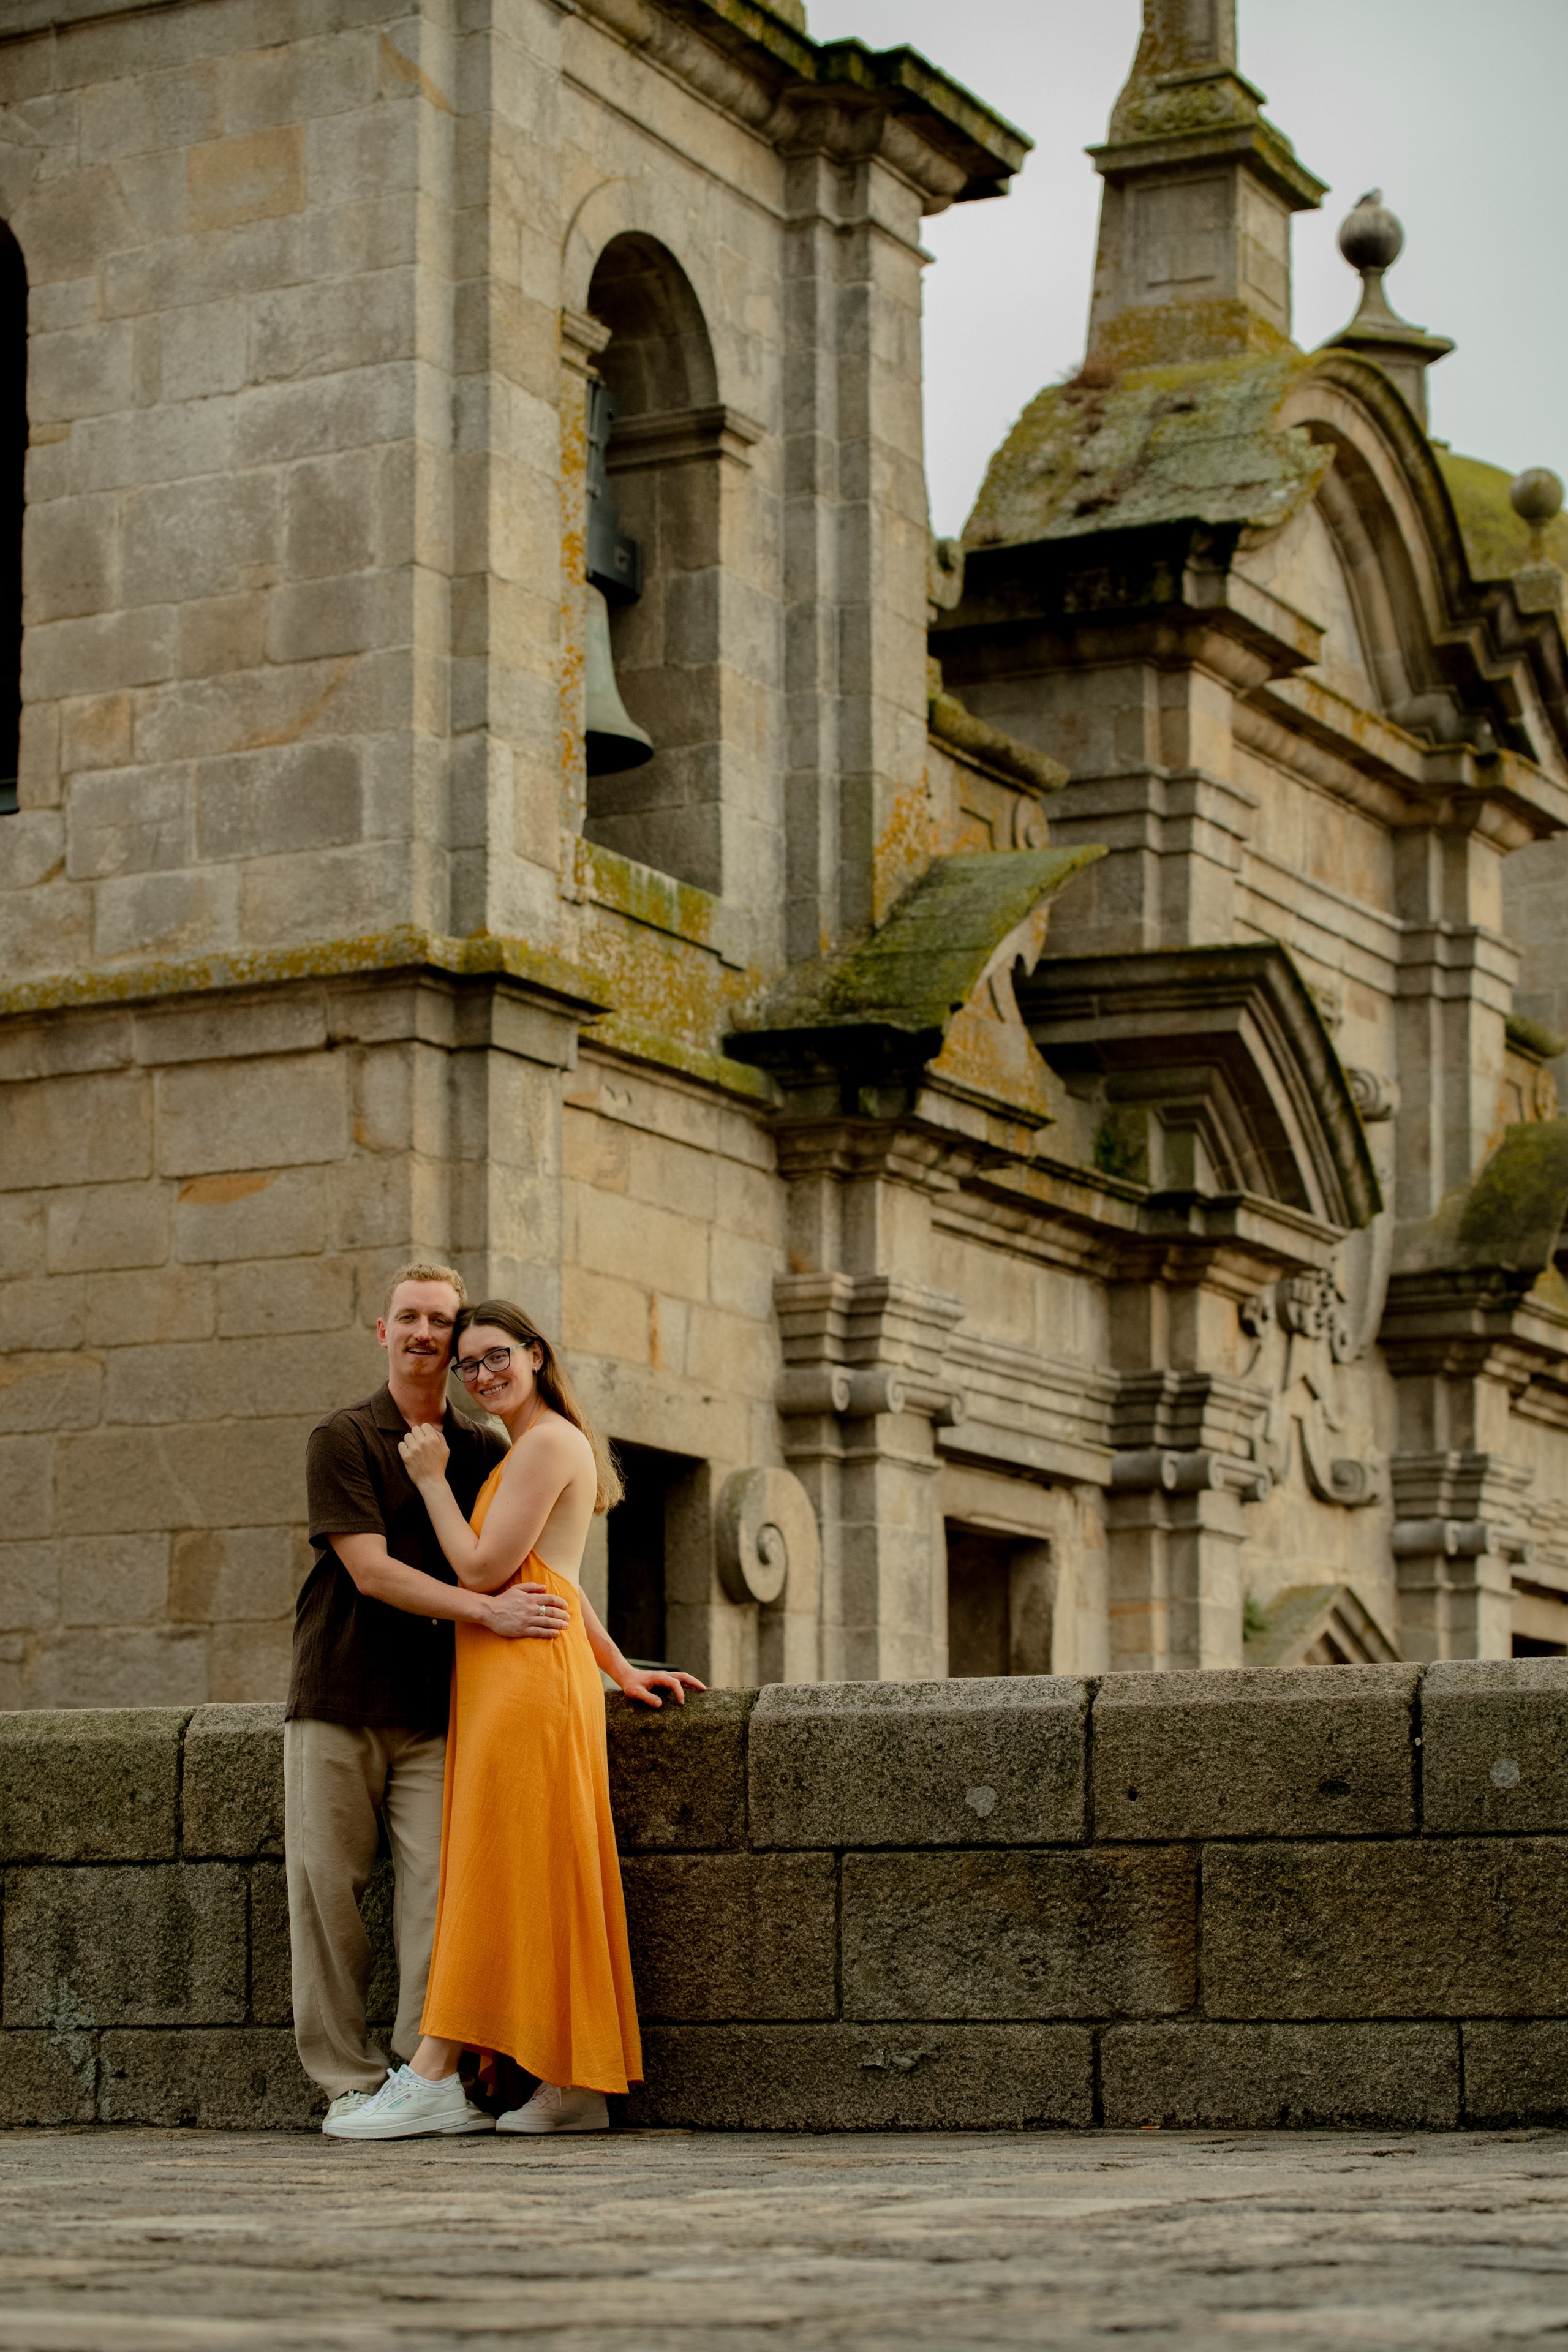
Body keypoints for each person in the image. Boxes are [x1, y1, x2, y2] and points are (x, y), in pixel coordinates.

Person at [322, 1298, 703, 2140]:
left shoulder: (548, 1443)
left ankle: (434, 2075)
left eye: (498, 1357)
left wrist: (427, 1480)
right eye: (469, 1366)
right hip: (514, 1671)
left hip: (522, 1676)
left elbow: (488, 1569)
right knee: (525, 1868)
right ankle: (572, 2081)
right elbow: (553, 1581)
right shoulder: (536, 1443)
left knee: (498, 1865)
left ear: (536, 1354)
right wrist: (617, 1665)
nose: (483, 1375)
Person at [287, 1264, 573, 2136]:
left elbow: (545, 1567)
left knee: (438, 1902)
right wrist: (485, 1609)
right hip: (339, 1691)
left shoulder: (487, 1449)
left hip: (447, 1706)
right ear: (383, 1331)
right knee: (328, 1895)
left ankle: (425, 2077)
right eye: (407, 1316)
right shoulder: (341, 1436)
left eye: (439, 1321)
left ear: (455, 1344)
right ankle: (345, 2078)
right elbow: (369, 1572)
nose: (423, 1332)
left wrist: (616, 1663)